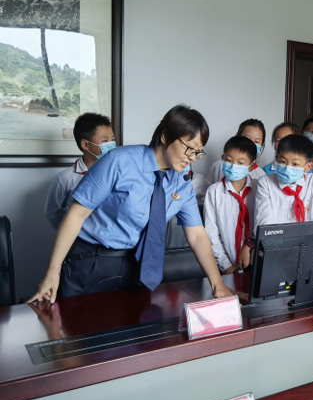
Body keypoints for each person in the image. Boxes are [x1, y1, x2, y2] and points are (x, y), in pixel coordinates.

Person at [28, 105, 234, 303]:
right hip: (92, 261)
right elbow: (76, 215)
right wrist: (52, 271)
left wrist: (217, 284)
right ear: (165, 137)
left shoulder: (181, 183)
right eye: (189, 148)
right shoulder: (119, 161)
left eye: (198, 151)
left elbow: (197, 235)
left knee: (133, 325)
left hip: (137, 265)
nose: (192, 157)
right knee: (77, 324)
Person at [45, 113, 116, 230]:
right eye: (105, 141)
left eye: (112, 140)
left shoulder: (118, 173)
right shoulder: (65, 178)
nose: (111, 145)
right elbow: (53, 213)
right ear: (85, 144)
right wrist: (72, 233)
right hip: (79, 238)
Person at [204, 136, 258, 275]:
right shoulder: (214, 192)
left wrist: (251, 246)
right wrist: (225, 265)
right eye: (228, 160)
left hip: (258, 262)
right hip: (227, 264)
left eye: (240, 163)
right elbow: (211, 233)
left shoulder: (260, 189)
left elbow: (264, 224)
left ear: (251, 166)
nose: (233, 166)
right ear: (222, 158)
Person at [255, 134, 313, 226]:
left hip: (308, 234)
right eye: (283, 162)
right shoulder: (265, 182)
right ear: (276, 159)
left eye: (295, 164)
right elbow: (264, 221)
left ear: (307, 167)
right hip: (276, 235)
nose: (287, 168)